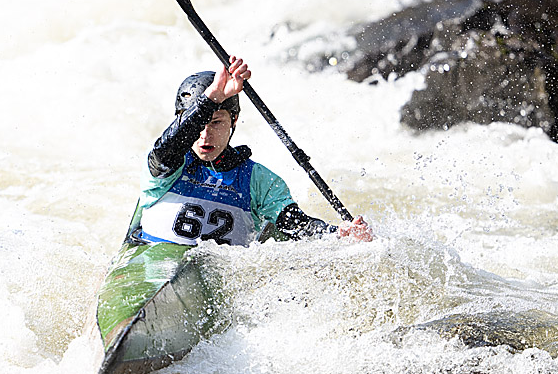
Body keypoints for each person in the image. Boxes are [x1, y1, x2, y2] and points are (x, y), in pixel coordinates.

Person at [125, 56, 372, 246]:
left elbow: (297, 224)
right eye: (199, 124)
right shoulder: (165, 166)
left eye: (216, 122)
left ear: (233, 121)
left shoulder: (259, 181)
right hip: (154, 262)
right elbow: (169, 146)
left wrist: (339, 234)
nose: (205, 134)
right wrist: (211, 98)